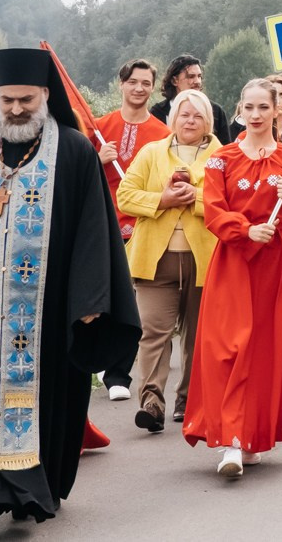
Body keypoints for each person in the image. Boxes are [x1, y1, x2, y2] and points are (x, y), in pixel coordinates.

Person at [0, 48, 139, 542]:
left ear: (45, 97)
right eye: (7, 99)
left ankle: (35, 489)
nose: (16, 109)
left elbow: (93, 232)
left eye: (26, 99)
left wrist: (90, 301)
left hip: (49, 309)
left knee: (45, 403)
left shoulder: (76, 152)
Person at [184, 77, 282, 478]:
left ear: (278, 110)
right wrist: (245, 230)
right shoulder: (222, 159)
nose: (255, 115)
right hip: (232, 264)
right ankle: (230, 440)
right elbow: (213, 210)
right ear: (239, 109)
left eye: (263, 107)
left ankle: (250, 435)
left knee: (263, 352)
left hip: (274, 269)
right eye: (248, 107)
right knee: (229, 348)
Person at [113, 89, 217, 432]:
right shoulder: (151, 152)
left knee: (197, 334)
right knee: (153, 331)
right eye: (184, 114)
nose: (190, 121)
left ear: (208, 121)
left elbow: (229, 201)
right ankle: (152, 401)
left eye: (197, 115)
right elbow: (125, 196)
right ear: (173, 118)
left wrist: (194, 198)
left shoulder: (221, 155)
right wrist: (163, 198)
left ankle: (188, 399)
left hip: (206, 259)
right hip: (155, 261)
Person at [93, 59, 169, 400]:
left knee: (135, 303)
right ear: (121, 84)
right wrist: (97, 160)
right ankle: (96, 357)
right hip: (101, 225)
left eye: (146, 83)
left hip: (145, 226)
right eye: (133, 81)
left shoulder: (163, 135)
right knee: (103, 301)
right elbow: (72, 178)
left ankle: (118, 373)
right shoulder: (97, 128)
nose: (139, 88)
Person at [150, 55, 233, 143]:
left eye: (199, 76)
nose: (197, 81)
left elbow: (225, 149)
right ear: (174, 81)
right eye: (191, 77)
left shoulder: (215, 111)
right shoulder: (157, 113)